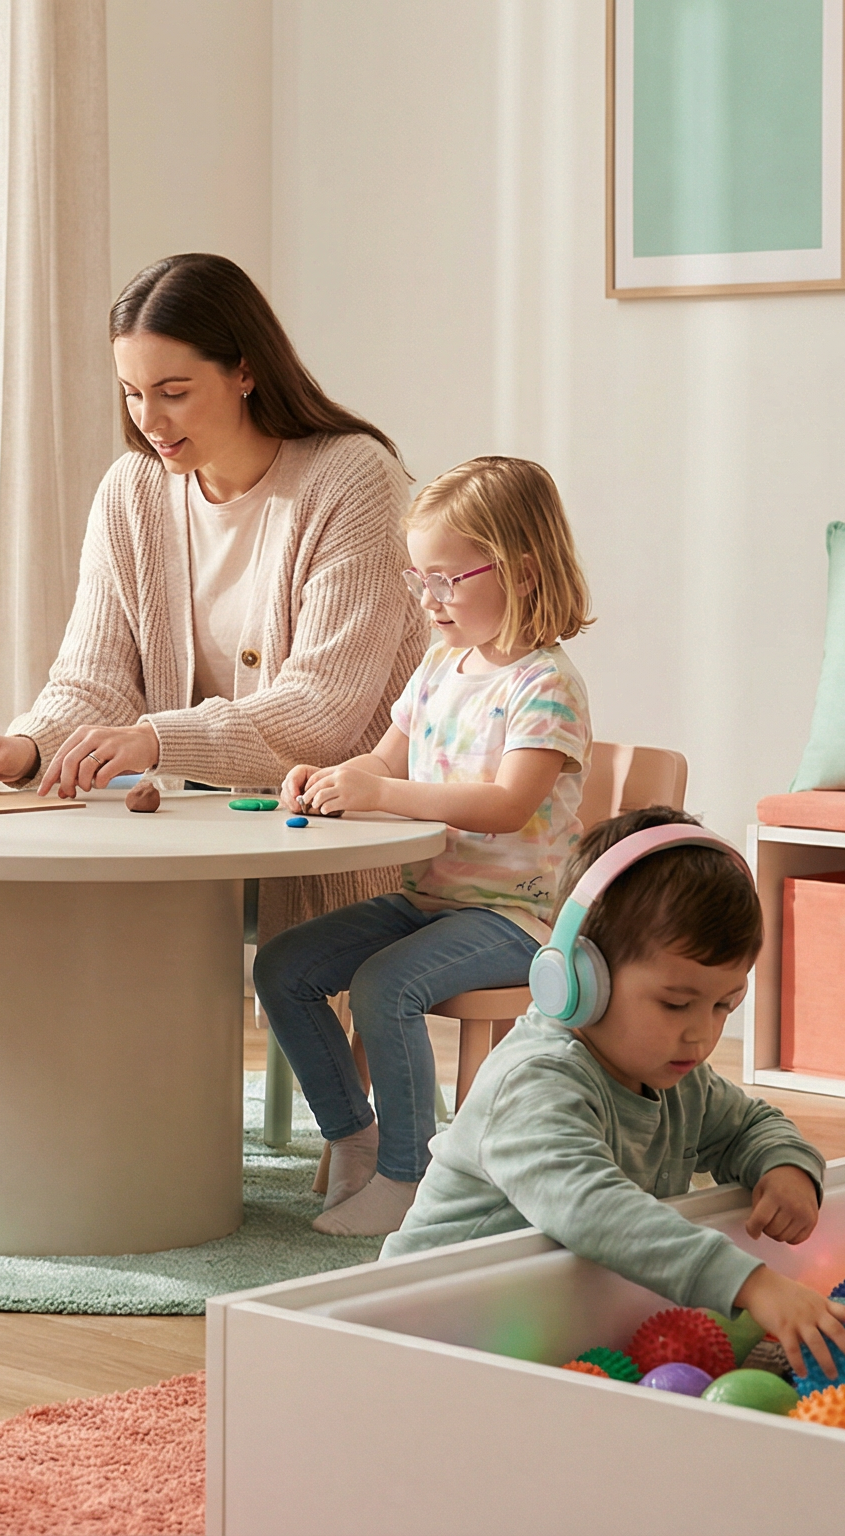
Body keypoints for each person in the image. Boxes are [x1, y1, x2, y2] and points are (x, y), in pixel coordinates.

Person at [0, 252, 423, 941]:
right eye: (132, 393)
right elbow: (93, 681)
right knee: (38, 935)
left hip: (331, 841)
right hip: (187, 841)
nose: (149, 421)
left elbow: (323, 713)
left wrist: (154, 740)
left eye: (173, 391)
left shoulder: (352, 481)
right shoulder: (130, 491)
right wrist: (31, 747)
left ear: (245, 371)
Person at [382, 808, 845, 1381]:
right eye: (675, 1003)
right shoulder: (533, 1083)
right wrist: (750, 1282)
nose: (701, 1032)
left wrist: (786, 1164)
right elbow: (594, 1209)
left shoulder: (679, 1077)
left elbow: (748, 1125)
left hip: (546, 1326)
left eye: (724, 1005)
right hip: (426, 1333)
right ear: (577, 978)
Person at [253, 456, 595, 1236]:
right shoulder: (441, 667)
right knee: (284, 965)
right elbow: (383, 761)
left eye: (448, 579)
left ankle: (410, 1178)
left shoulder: (544, 685)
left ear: (522, 571)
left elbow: (509, 805)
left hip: (518, 918)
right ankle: (355, 1138)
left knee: (382, 986)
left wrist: (383, 794)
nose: (430, 600)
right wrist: (338, 777)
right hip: (430, 901)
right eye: (420, 580)